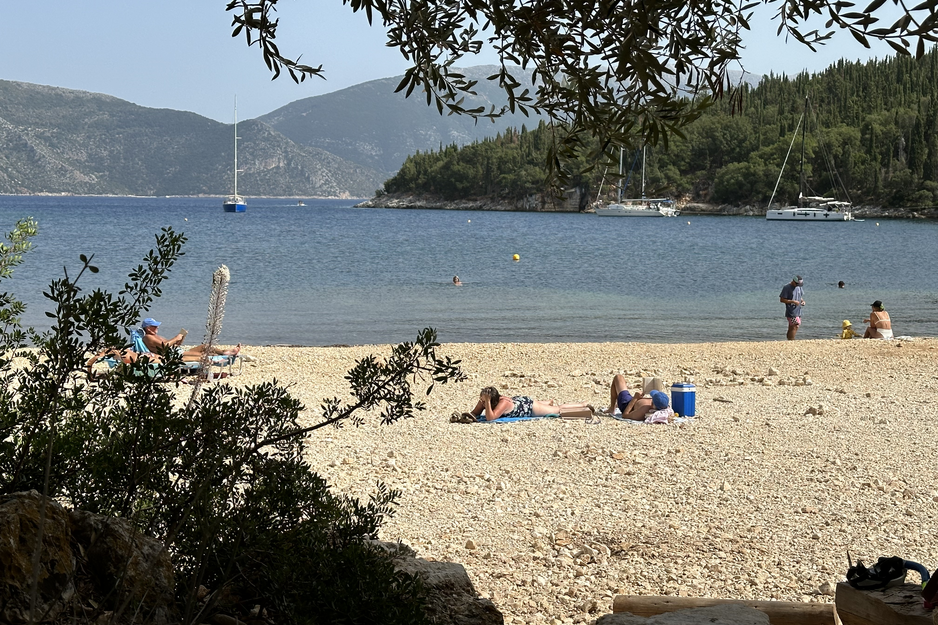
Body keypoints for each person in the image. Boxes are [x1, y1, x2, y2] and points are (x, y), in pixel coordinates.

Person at [468, 386, 593, 421]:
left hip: (528, 407)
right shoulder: (488, 401)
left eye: (485, 399)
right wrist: (480, 405)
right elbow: (474, 414)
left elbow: (490, 418)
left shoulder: (502, 403)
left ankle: (582, 405)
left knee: (557, 409)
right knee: (548, 406)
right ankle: (547, 402)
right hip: (519, 402)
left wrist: (487, 402)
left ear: (491, 399)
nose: (482, 402)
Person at [141, 318, 241, 360]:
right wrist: (176, 338)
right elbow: (164, 346)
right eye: (154, 326)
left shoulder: (156, 336)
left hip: (177, 351)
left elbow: (174, 345)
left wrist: (180, 339)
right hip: (173, 355)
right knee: (202, 355)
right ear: (148, 328)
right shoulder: (148, 337)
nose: (157, 328)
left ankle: (225, 352)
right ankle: (227, 354)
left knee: (205, 346)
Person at [780, 276, 805, 340]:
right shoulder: (787, 288)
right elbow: (782, 299)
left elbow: (800, 296)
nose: (798, 285)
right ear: (793, 281)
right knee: (795, 325)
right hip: (791, 311)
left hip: (798, 310)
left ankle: (789, 339)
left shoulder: (799, 287)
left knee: (793, 326)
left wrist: (802, 301)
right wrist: (793, 301)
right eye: (797, 284)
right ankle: (791, 340)